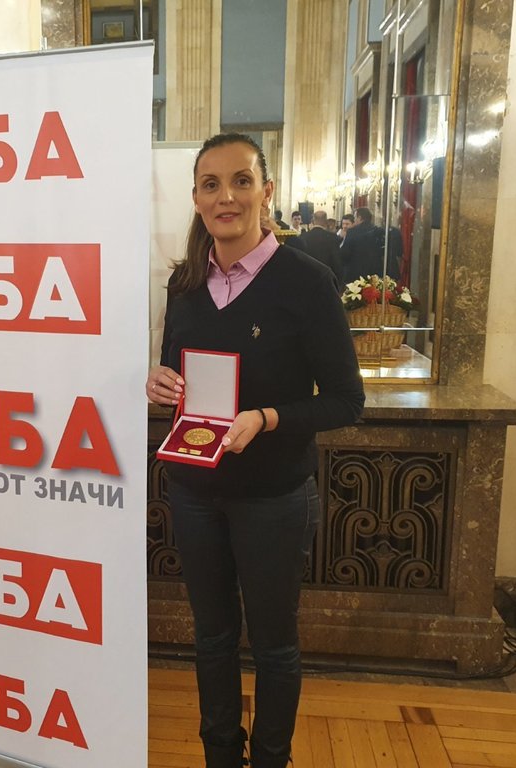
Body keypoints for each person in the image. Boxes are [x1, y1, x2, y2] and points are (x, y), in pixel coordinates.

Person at [145, 133, 365, 768]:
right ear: (195, 198)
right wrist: (161, 383)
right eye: (211, 184)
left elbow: (346, 401)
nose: (226, 197)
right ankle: (220, 757)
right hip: (195, 493)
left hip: (274, 497)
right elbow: (178, 373)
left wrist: (267, 418)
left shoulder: (307, 282)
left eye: (241, 181)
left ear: (266, 191)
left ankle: (271, 758)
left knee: (273, 646)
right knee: (212, 639)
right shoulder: (185, 283)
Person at [339, 206, 400, 284]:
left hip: (356, 274)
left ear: (359, 217)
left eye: (355, 217)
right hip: (375, 273)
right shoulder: (379, 231)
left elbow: (345, 254)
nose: (354, 220)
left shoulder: (352, 232)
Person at [285, 209, 342, 277]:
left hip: (307, 275)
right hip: (326, 277)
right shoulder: (333, 238)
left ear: (313, 221)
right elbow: (336, 262)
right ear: (326, 222)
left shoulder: (303, 236)